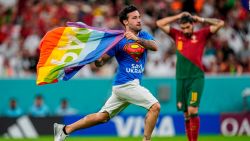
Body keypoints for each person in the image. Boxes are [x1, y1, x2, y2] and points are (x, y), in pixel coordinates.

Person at [54, 5, 160, 141]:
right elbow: (101, 62)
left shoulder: (143, 35)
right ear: (125, 22)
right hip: (126, 84)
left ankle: (64, 129)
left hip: (126, 86)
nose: (139, 20)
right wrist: (95, 59)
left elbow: (154, 47)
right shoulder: (117, 40)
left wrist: (136, 39)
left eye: (139, 17)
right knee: (155, 107)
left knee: (102, 117)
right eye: (134, 18)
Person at [156, 12, 224, 141]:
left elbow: (221, 23)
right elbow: (159, 23)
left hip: (196, 78)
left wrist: (202, 19)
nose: (185, 30)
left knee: (193, 110)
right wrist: (178, 16)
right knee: (186, 115)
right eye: (183, 28)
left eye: (187, 27)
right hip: (181, 79)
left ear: (193, 24)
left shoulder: (202, 34)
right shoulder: (177, 34)